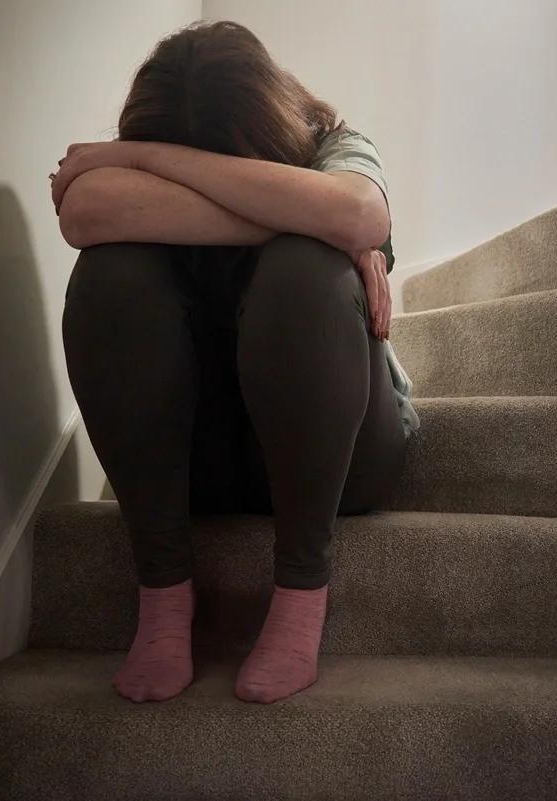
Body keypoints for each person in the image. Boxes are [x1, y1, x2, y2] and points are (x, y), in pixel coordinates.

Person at [49, 19, 419, 705]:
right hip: (201, 459)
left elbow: (359, 211)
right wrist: (307, 215)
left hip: (343, 457)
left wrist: (158, 165)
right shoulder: (127, 169)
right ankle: (163, 600)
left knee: (305, 270)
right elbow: (84, 212)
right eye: (169, 154)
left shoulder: (335, 146)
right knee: (112, 272)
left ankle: (302, 594)